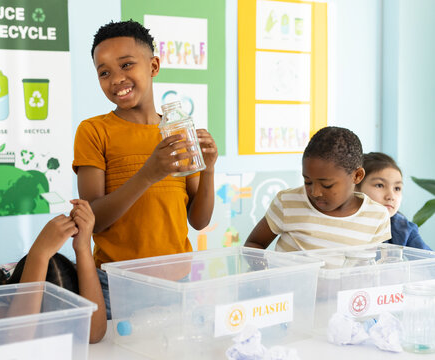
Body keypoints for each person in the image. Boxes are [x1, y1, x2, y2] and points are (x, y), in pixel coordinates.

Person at [72, 20, 217, 318]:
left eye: (127, 65)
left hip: (177, 283)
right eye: (104, 72)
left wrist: (210, 170)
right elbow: (94, 220)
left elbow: (199, 221)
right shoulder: (93, 131)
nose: (117, 79)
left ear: (153, 66)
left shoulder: (177, 132)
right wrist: (149, 173)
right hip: (116, 286)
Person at [0, 200, 107, 344]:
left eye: (64, 325)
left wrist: (83, 247)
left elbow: (94, 334)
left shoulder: (69, 277)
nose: (55, 335)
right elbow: (17, 340)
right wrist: (39, 253)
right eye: (44, 323)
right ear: (11, 299)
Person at [244, 126, 391, 251]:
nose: (315, 192)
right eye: (307, 182)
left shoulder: (376, 216)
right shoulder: (287, 203)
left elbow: (373, 268)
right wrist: (266, 276)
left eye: (327, 185)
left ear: (357, 176)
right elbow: (254, 244)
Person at [356, 152, 431, 250]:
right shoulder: (341, 224)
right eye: (380, 185)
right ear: (355, 187)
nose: (391, 196)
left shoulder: (403, 228)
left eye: (397, 188)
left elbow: (429, 261)